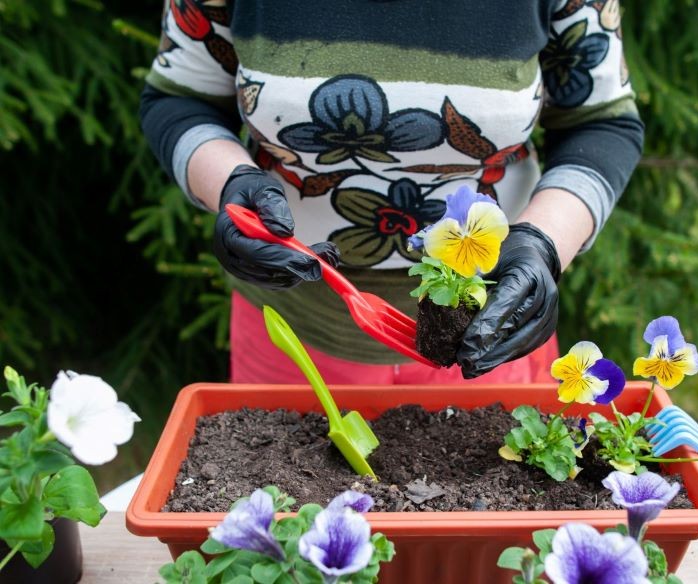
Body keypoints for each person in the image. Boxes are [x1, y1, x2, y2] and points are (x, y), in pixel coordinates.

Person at [139, 0, 643, 385]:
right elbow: (180, 99)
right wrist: (231, 183)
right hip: (291, 331)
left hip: (488, 328)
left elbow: (600, 123)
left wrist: (542, 243)